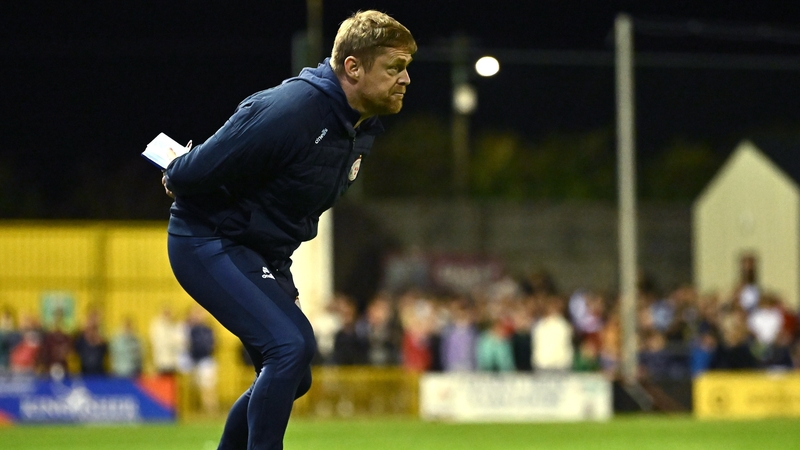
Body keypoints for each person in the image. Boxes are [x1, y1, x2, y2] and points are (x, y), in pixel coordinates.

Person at [160, 10, 415, 450]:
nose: (406, 79)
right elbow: (188, 173)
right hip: (208, 240)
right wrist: (178, 171)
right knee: (290, 347)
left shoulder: (359, 127)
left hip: (261, 254)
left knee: (293, 373)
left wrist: (278, 270)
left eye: (407, 68)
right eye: (395, 67)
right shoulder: (291, 108)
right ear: (352, 67)